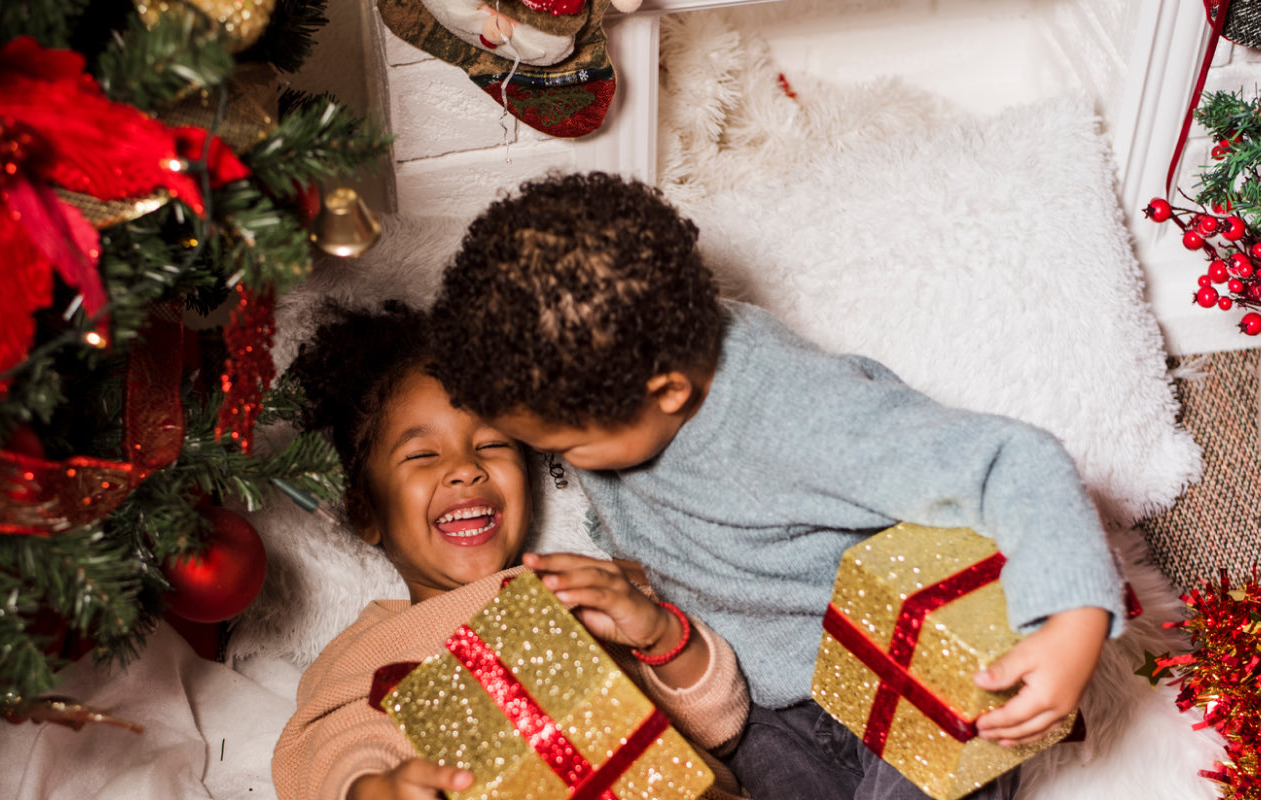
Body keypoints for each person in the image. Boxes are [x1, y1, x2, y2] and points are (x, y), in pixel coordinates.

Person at [424, 171, 1126, 800]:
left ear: (665, 391)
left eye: (568, 448)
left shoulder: (801, 413)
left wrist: (1073, 622)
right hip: (765, 712)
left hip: (897, 669)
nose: (564, 465)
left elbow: (1015, 459)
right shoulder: (608, 377)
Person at [270, 300, 749, 800]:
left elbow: (722, 729)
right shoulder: (375, 647)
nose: (465, 468)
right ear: (364, 511)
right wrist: (373, 788)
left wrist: (660, 635)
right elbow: (337, 745)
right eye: (422, 454)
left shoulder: (583, 586)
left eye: (493, 445)